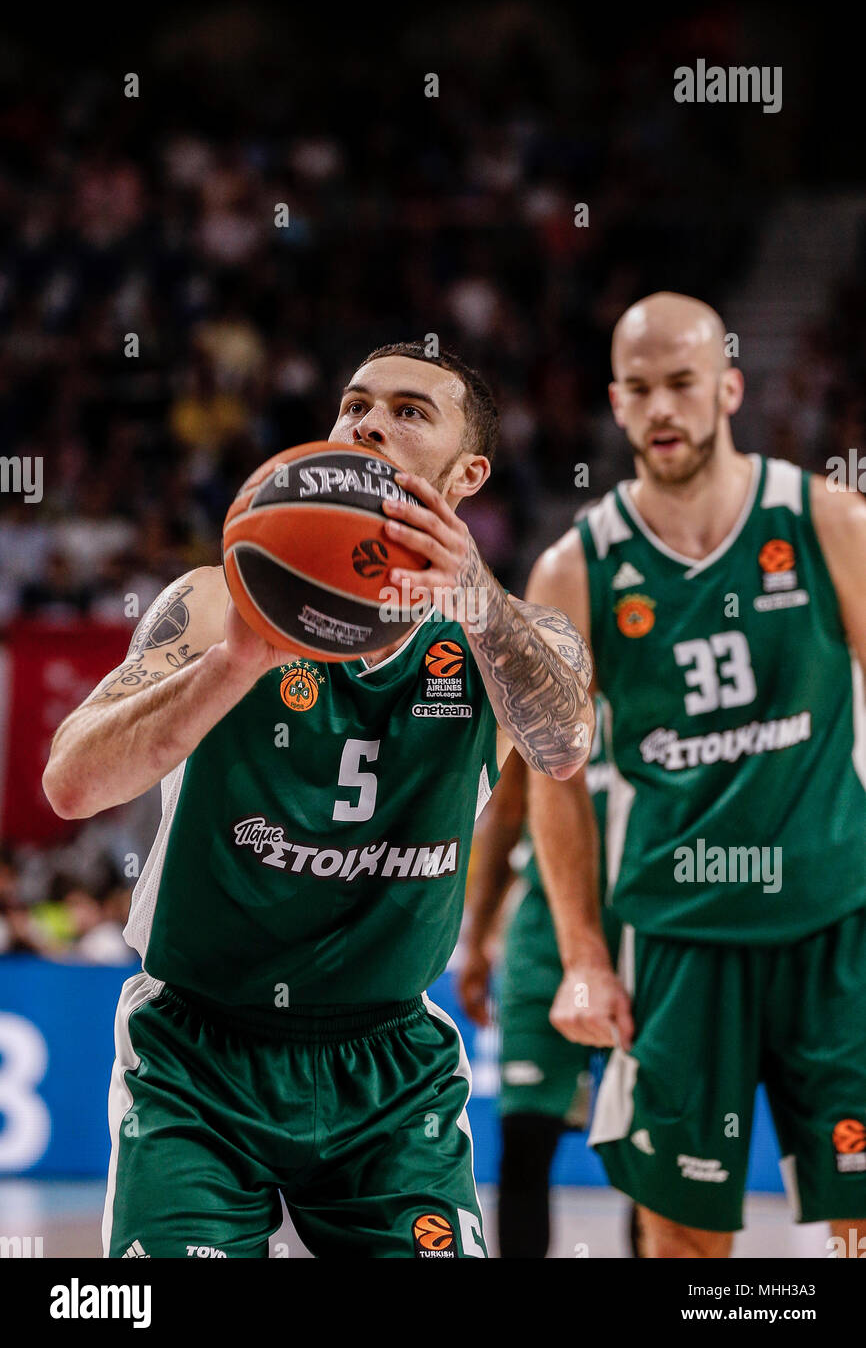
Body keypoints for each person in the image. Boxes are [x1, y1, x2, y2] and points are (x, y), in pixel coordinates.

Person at [42, 341, 595, 1260]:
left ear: (469, 475)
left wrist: (479, 602)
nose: (368, 422)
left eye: (411, 411)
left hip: (388, 1065)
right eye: (354, 405)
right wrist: (238, 664)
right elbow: (71, 784)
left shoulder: (511, 639)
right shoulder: (218, 604)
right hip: (197, 1053)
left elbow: (567, 746)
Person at [526, 292, 866, 1258]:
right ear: (617, 406)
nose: (663, 406)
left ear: (729, 387)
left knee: (861, 1224)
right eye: (641, 389)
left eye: (682, 382)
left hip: (836, 923)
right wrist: (585, 957)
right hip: (677, 941)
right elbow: (556, 778)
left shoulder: (827, 517)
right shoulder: (572, 568)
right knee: (681, 1238)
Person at [460, 692, 631, 1258]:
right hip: (544, 938)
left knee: (651, 1151)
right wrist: (480, 940)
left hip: (645, 936)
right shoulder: (547, 703)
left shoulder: (660, 684)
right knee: (525, 1137)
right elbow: (507, 815)